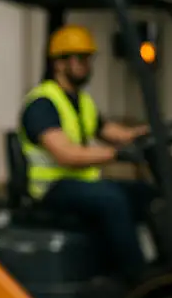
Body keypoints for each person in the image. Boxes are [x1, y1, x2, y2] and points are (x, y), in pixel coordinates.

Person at [18, 24, 158, 284]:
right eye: (80, 59)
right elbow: (66, 155)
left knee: (144, 193)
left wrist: (146, 133)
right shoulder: (42, 104)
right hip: (51, 189)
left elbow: (110, 131)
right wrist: (116, 155)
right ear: (59, 64)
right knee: (111, 200)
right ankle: (138, 279)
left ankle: (155, 264)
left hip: (79, 184)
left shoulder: (81, 101)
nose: (87, 65)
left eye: (88, 59)